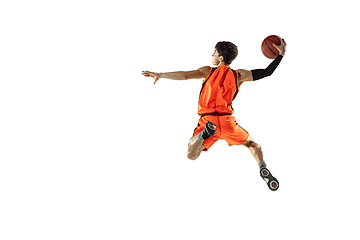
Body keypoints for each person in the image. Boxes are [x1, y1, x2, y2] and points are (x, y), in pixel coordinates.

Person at [142, 39, 286, 191]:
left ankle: (203, 135)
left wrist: (160, 74)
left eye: (215, 53)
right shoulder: (239, 75)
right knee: (253, 145)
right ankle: (262, 167)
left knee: (191, 154)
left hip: (208, 120)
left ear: (221, 58)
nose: (212, 55)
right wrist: (280, 55)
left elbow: (184, 75)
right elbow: (267, 72)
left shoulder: (208, 71)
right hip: (228, 122)